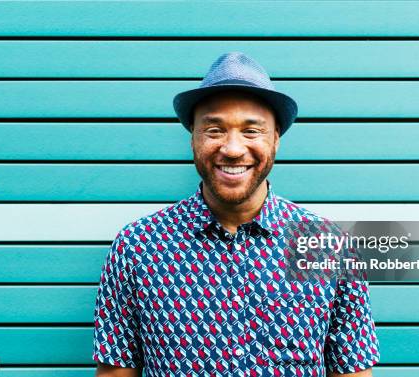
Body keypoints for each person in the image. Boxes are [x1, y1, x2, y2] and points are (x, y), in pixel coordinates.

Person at [93, 52, 380, 376]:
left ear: (275, 140)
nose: (232, 148)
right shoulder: (138, 247)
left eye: (251, 130)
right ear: (193, 139)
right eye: (214, 130)